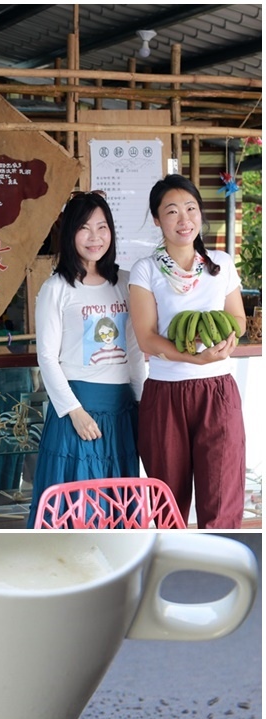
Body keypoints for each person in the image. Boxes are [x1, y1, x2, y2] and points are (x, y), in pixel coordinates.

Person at [128, 174, 247, 528]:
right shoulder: (145, 270)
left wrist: (230, 339)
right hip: (166, 394)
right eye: (172, 211)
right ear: (156, 220)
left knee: (222, 497)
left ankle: (221, 571)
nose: (185, 220)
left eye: (191, 209)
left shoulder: (222, 264)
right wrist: (190, 357)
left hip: (218, 391)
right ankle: (172, 572)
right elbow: (147, 338)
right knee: (168, 502)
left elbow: (237, 318)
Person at [27, 192, 145, 527]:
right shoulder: (56, 288)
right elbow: (47, 357)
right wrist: (74, 411)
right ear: (69, 234)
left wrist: (143, 402)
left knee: (118, 508)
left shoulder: (125, 283)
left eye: (102, 227)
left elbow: (135, 350)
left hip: (123, 412)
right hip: (77, 412)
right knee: (76, 509)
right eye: (84, 228)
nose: (95, 237)